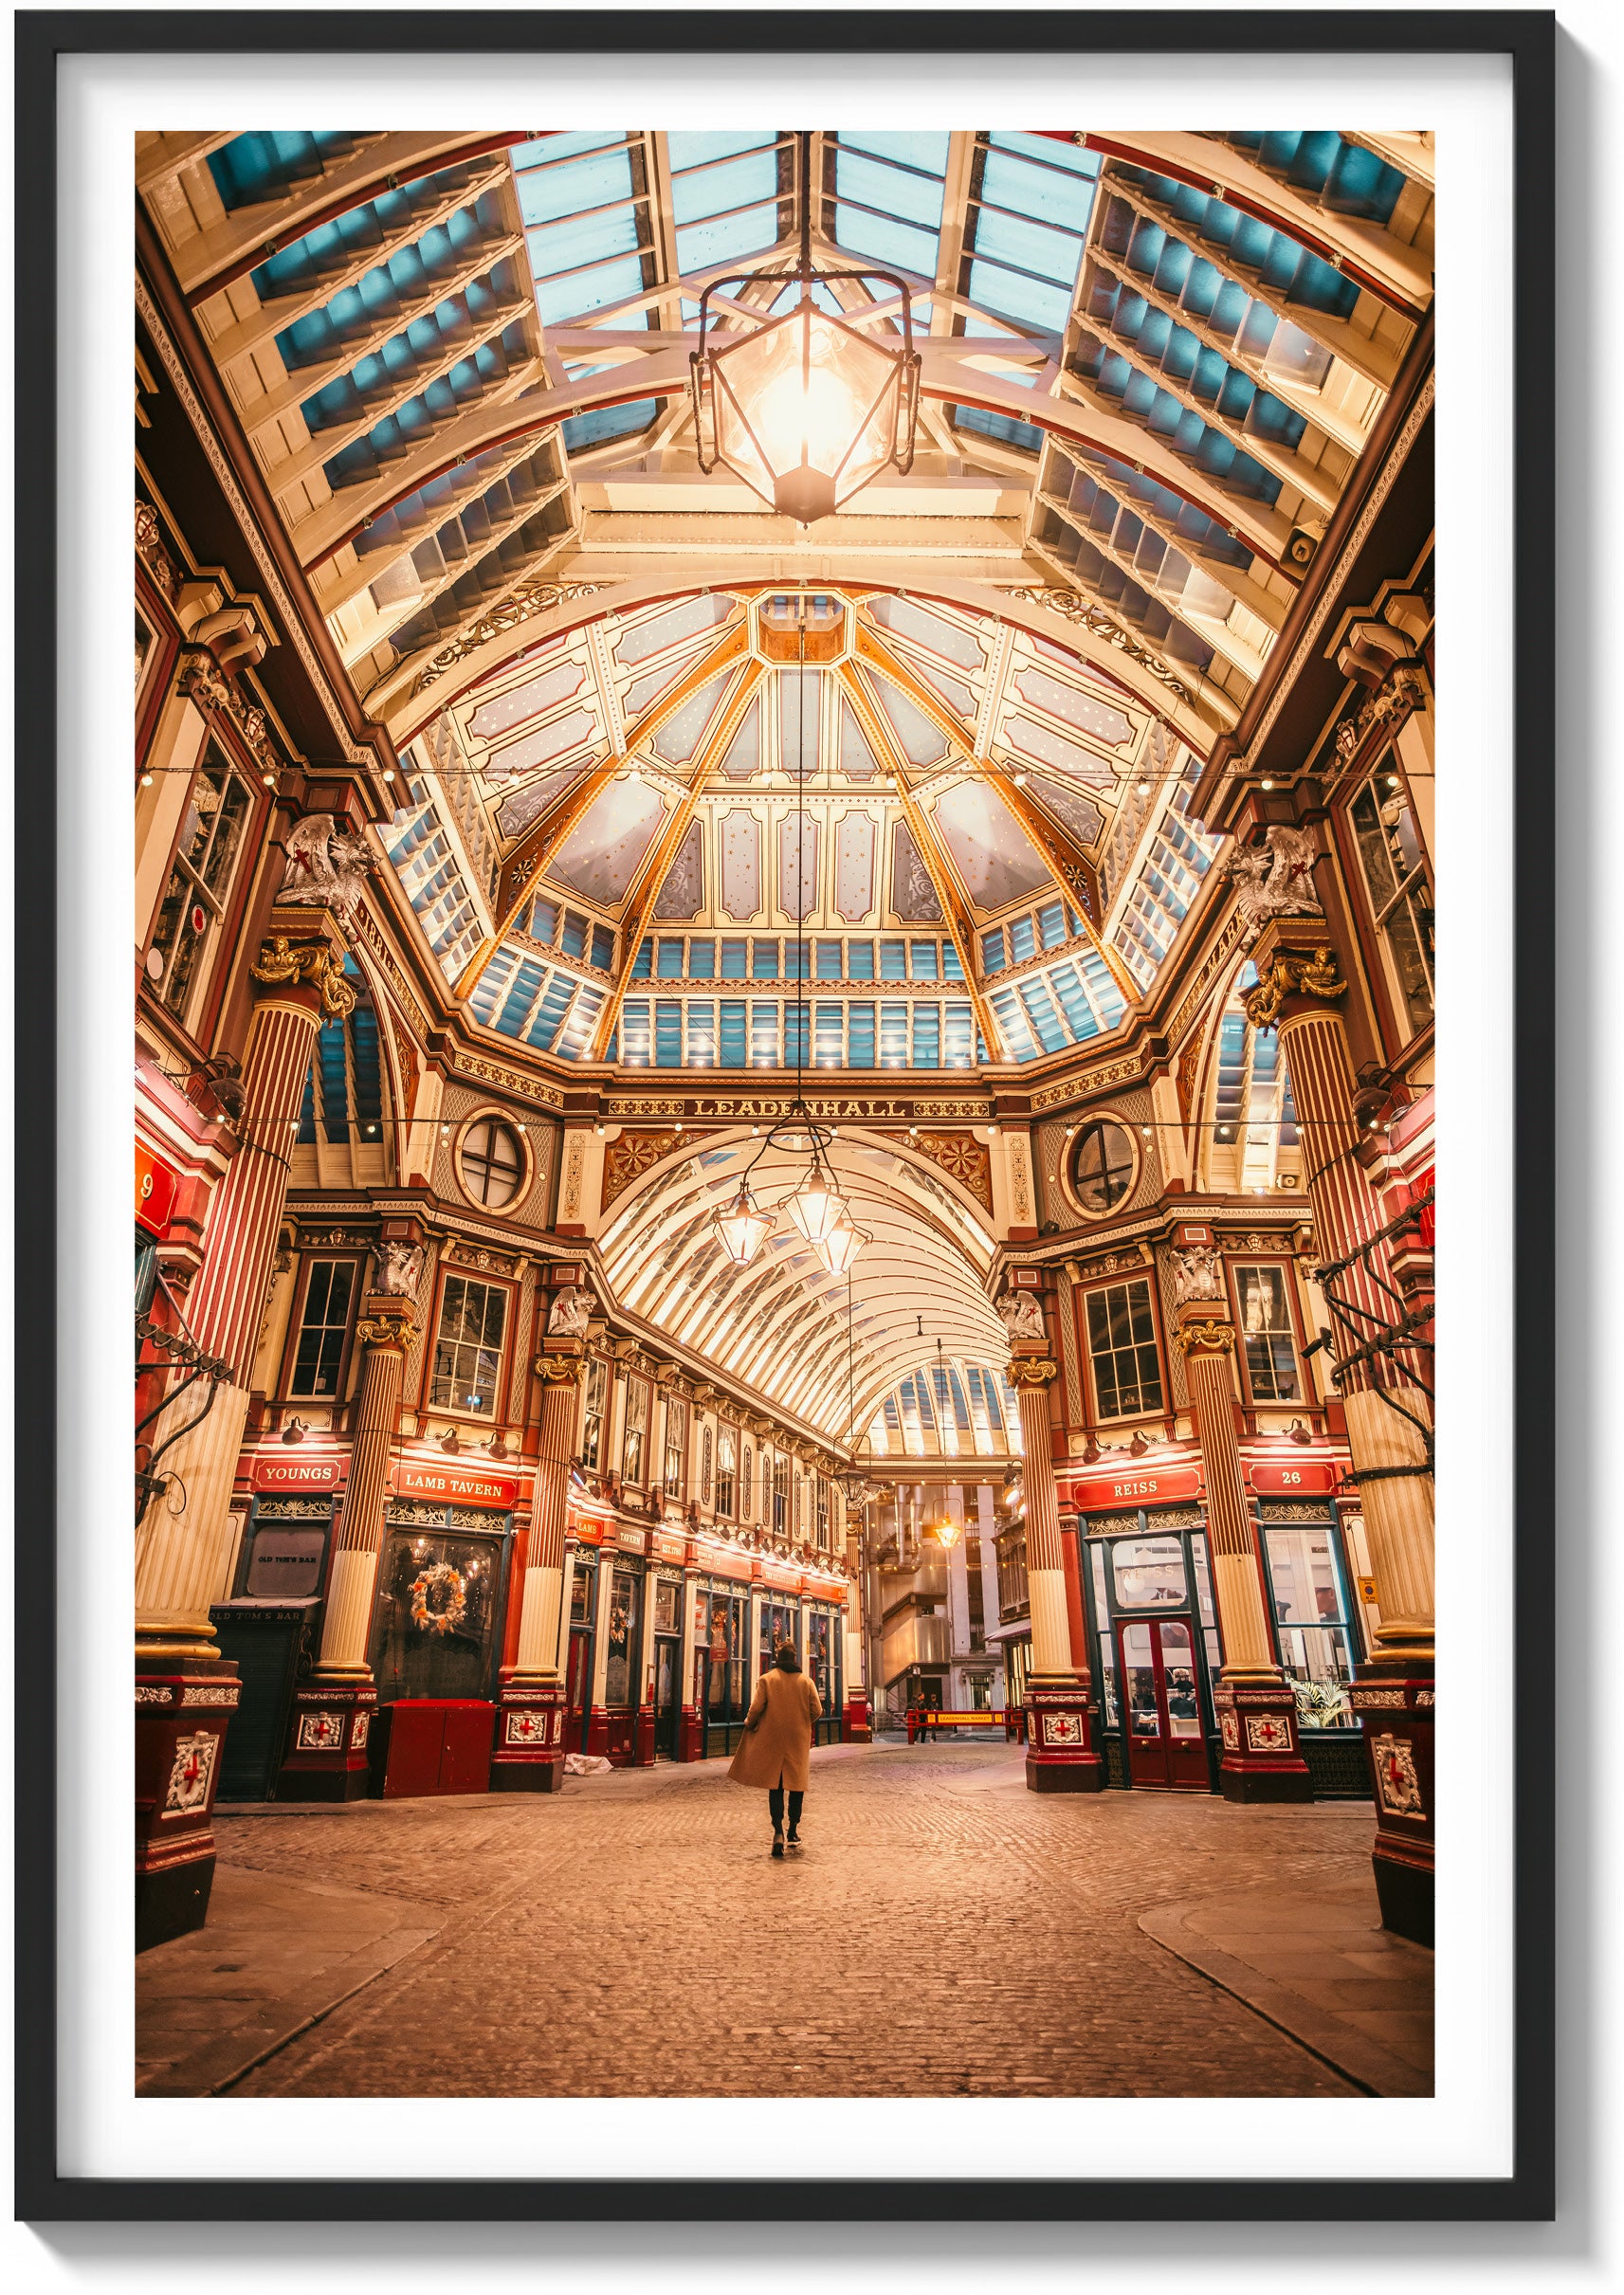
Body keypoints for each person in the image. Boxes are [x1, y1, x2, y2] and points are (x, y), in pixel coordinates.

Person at [728, 1637, 822, 1856]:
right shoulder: (806, 1682)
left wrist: (750, 1724)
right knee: (797, 1786)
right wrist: (802, 1722)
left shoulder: (767, 1680)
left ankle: (778, 1832)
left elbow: (756, 1708)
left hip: (773, 1740)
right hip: (797, 1741)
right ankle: (793, 1831)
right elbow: (817, 1710)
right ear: (795, 1658)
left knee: (776, 1786)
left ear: (777, 1658)